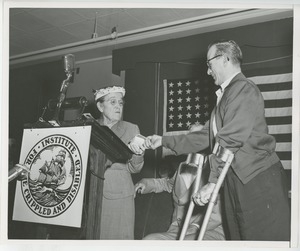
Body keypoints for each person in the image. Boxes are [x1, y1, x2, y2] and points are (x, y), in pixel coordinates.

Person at [143, 40, 291, 241]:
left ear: (224, 59)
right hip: (235, 181)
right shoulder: (226, 96)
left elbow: (230, 139)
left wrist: (212, 182)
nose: (207, 71)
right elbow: (204, 136)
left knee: (261, 240)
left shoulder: (243, 89)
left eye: (209, 63)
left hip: (257, 180)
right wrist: (163, 141)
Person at [84, 85, 145, 239]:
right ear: (100, 106)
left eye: (120, 103)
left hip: (120, 198)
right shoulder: (88, 128)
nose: (118, 106)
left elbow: (134, 169)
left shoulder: (131, 129)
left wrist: (139, 153)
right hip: (91, 194)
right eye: (113, 102)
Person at [134, 150, 225, 240]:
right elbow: (168, 184)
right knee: (149, 240)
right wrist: (147, 183)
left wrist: (195, 226)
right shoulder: (184, 166)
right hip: (178, 229)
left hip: (208, 231)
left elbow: (219, 212)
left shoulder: (216, 172)